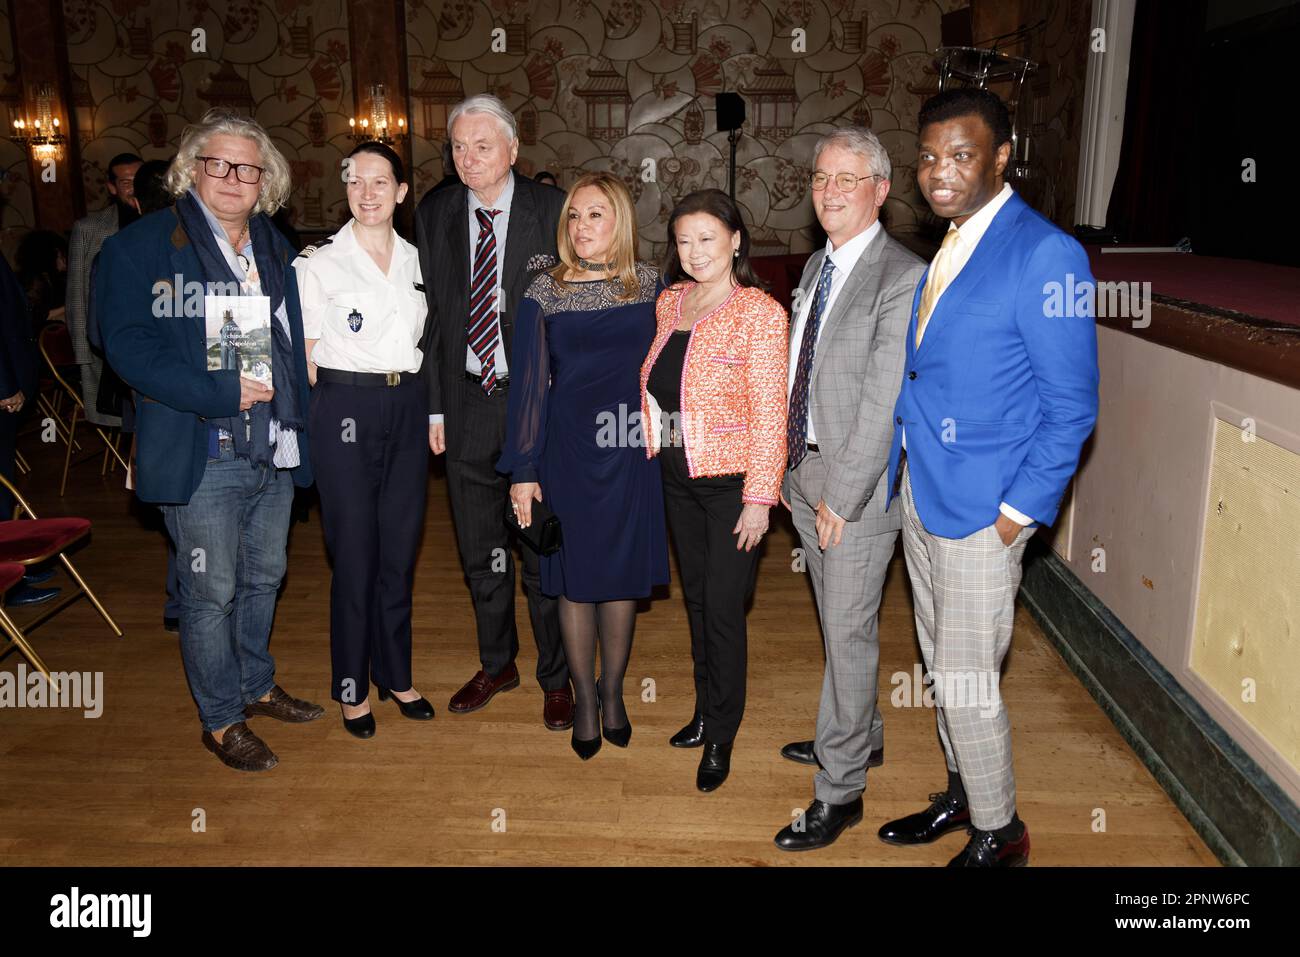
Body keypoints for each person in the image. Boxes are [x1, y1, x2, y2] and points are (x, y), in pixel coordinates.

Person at [880, 89, 1099, 866]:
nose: (940, 172)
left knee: (969, 677)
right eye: (930, 156)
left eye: (962, 155)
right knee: (941, 660)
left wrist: (1017, 513)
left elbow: (1072, 408)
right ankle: (965, 791)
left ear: (1003, 157)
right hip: (924, 489)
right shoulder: (952, 237)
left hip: (984, 510)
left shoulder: (1047, 254)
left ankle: (1001, 831)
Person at [99, 108, 323, 772]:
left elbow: (288, 329)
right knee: (211, 589)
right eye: (218, 163)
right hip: (201, 449)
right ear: (190, 169)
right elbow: (126, 348)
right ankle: (222, 719)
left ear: (266, 182)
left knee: (266, 577)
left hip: (272, 444)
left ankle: (255, 682)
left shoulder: (274, 246)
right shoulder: (139, 247)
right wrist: (219, 390)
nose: (232, 177)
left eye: (248, 168)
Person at [771, 128, 926, 851]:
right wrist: (785, 467)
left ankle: (840, 791)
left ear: (881, 191)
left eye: (847, 179)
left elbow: (883, 398)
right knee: (838, 623)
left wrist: (845, 494)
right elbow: (802, 367)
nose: (829, 191)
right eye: (821, 178)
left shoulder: (901, 275)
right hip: (805, 471)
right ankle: (859, 733)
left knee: (851, 627)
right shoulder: (816, 265)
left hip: (850, 488)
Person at [414, 94, 573, 729]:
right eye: (458, 146)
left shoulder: (552, 210)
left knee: (540, 550)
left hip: (536, 407)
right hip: (465, 400)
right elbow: (429, 317)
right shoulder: (435, 210)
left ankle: (556, 676)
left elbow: (578, 307)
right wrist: (433, 408)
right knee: (481, 550)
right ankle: (496, 661)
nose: (468, 157)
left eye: (483, 145)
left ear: (512, 150)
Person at [498, 172, 668, 760]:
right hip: (566, 450)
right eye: (574, 215)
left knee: (618, 577)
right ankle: (586, 704)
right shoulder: (543, 291)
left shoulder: (649, 284)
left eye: (596, 215)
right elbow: (528, 387)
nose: (581, 226)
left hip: (628, 451)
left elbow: (675, 369)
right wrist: (523, 468)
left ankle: (614, 693)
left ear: (619, 220)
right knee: (574, 580)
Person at [640, 188, 788, 791]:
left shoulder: (759, 312)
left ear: (734, 241)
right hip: (676, 477)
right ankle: (704, 711)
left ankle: (722, 733)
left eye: (707, 238)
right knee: (697, 602)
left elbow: (770, 414)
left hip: (731, 487)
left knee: (724, 609)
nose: (695, 251)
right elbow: (657, 386)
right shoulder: (671, 301)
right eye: (683, 240)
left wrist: (759, 498)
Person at [295, 141, 434, 738]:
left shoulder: (418, 260)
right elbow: (300, 357)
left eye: (381, 182)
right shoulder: (318, 263)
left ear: (402, 192)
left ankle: (395, 675)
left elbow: (429, 345)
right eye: (356, 182)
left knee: (399, 553)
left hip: (407, 403)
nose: (368, 193)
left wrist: (430, 414)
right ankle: (352, 687)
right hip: (344, 405)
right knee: (355, 555)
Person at [68, 152, 142, 427]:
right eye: (125, 182)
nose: (133, 188)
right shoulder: (89, 229)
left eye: (138, 180)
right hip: (106, 345)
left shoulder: (166, 223)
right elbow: (78, 294)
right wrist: (82, 355)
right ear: (111, 187)